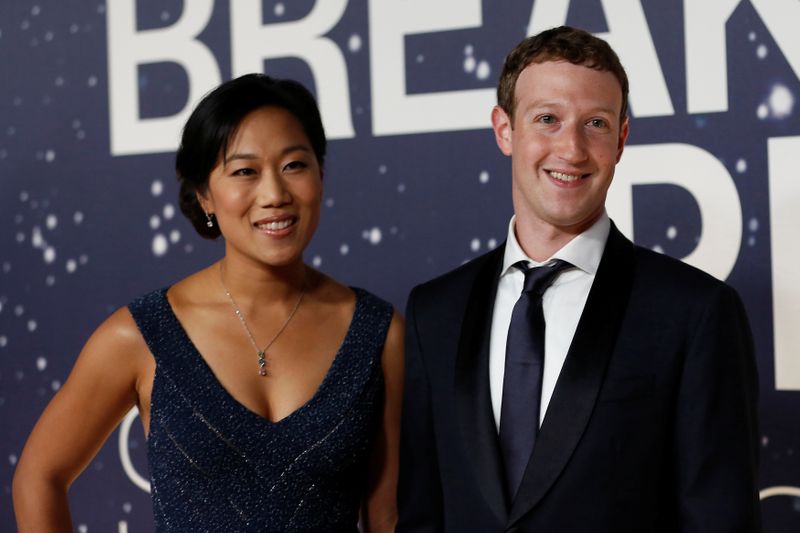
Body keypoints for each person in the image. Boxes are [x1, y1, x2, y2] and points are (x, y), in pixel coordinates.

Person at [398, 26, 759, 532]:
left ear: (621, 139)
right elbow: (422, 515)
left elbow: (720, 520)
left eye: (595, 123)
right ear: (504, 130)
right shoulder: (435, 312)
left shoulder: (694, 312)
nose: (571, 149)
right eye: (547, 119)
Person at [13, 74, 404, 532]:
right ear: (205, 196)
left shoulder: (378, 333)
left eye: (295, 165)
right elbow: (39, 476)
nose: (275, 195)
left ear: (321, 175)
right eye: (244, 171)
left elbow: (387, 516)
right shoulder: (143, 335)